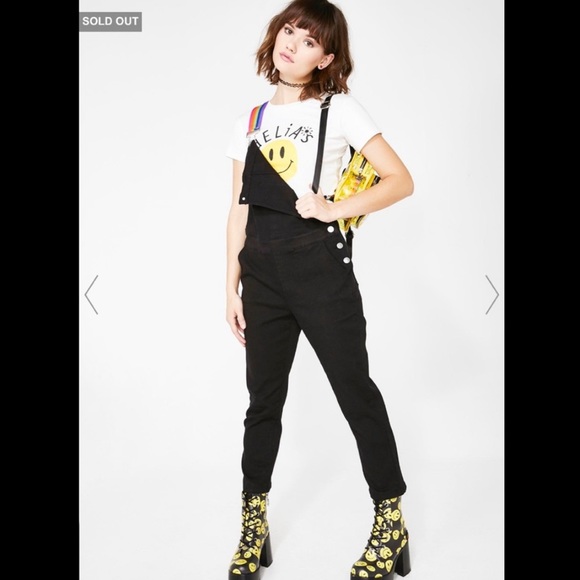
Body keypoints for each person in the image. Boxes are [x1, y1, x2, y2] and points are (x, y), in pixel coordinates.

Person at [225, 1, 414, 578]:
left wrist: (333, 208)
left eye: (309, 41)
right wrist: (230, 286)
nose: (293, 44)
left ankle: (391, 522)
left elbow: (400, 180)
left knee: (355, 393)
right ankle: (253, 525)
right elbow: (238, 208)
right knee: (263, 403)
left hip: (320, 272)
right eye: (290, 30)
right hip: (261, 277)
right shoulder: (252, 118)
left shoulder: (340, 108)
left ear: (326, 58)